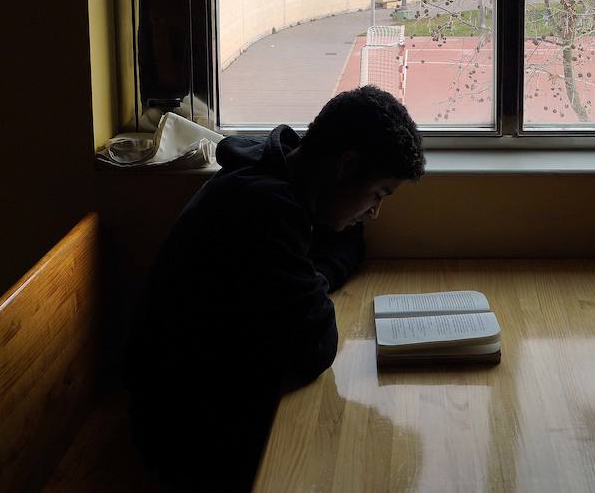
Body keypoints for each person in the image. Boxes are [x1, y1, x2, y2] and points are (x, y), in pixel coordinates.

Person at [123, 87, 426, 490]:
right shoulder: (262, 209)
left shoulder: (286, 172)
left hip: (197, 401)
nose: (374, 212)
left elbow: (348, 242)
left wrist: (307, 279)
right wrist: (309, 287)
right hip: (188, 437)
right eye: (377, 195)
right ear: (346, 166)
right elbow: (314, 347)